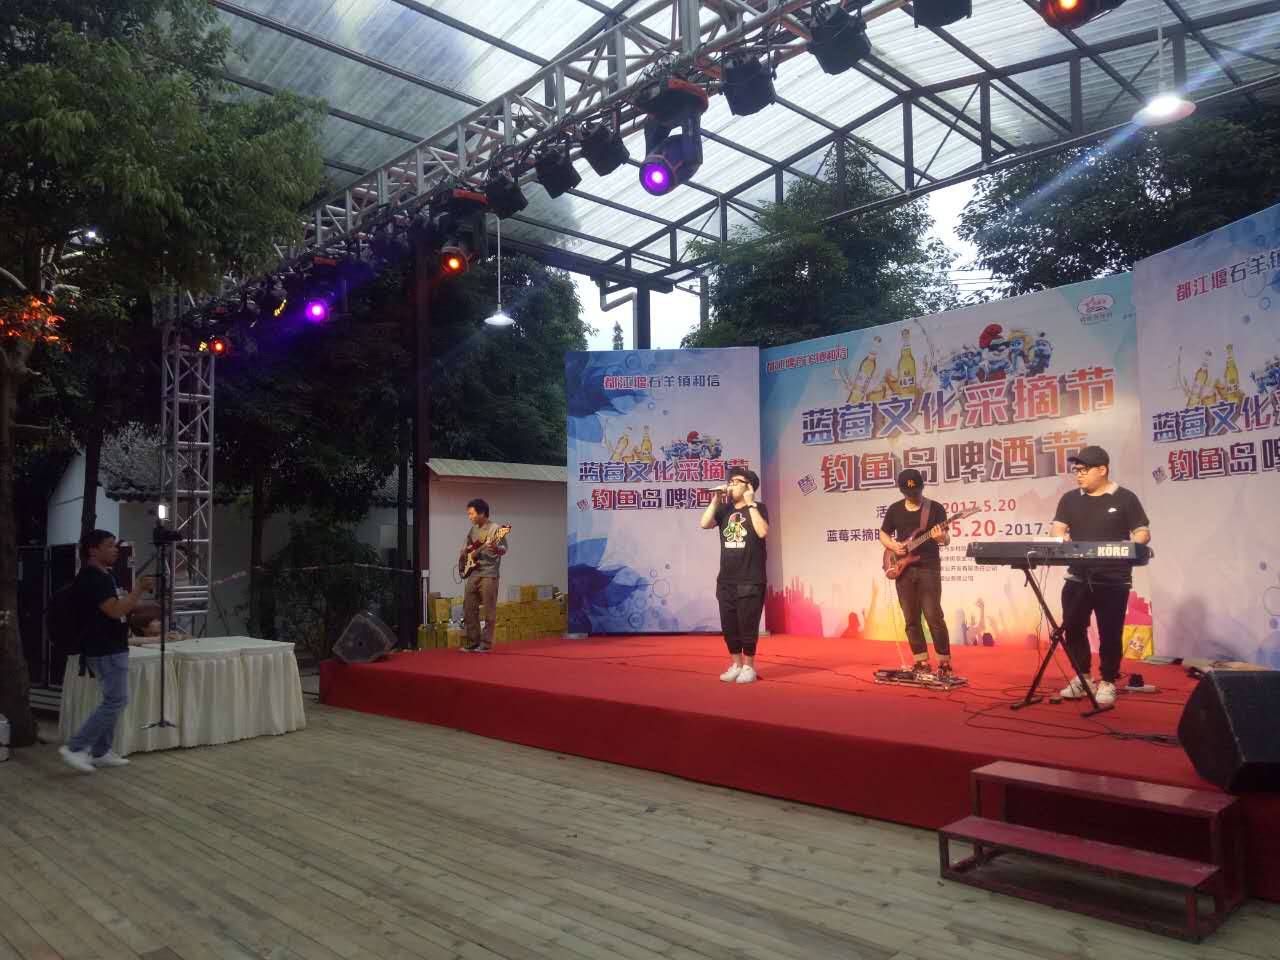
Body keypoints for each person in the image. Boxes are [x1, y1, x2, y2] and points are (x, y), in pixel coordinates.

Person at [1051, 445, 1151, 707]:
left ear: (1102, 470)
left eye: (1084, 470)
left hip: (1113, 578)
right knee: (1073, 627)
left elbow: (1142, 533)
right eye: (1076, 470)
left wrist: (1131, 547)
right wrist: (1063, 539)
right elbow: (1057, 529)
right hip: (1077, 577)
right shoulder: (1070, 499)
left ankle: (1107, 680)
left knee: (1110, 631)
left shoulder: (1125, 498)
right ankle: (1083, 678)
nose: (1079, 475)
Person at [59, 529, 154, 773]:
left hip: (112, 645)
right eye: (110, 545)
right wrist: (138, 589)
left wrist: (141, 602)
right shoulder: (93, 578)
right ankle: (76, 747)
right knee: (116, 700)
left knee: (113, 699)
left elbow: (119, 606)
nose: (116, 549)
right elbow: (114, 611)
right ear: (93, 550)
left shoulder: (106, 575)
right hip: (104, 647)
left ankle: (101, 752)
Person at [879, 468, 952, 678]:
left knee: (933, 615)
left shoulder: (935, 508)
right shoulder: (894, 509)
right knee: (911, 618)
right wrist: (893, 546)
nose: (913, 496)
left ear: (922, 487)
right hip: (903, 569)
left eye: (917, 491)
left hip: (928, 567)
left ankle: (944, 661)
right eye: (909, 493)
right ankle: (921, 661)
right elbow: (883, 533)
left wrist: (940, 538)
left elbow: (946, 539)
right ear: (902, 491)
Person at [700, 466, 769, 684]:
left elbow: (762, 531)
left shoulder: (758, 508)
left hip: (751, 579)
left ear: (749, 487)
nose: (731, 485)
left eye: (737, 482)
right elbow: (704, 524)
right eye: (730, 481)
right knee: (729, 626)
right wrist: (715, 500)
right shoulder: (724, 510)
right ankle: (736, 664)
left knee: (748, 625)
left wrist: (750, 503)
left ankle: (749, 667)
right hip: (726, 579)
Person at [459, 498, 510, 653]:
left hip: (489, 573)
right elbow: (468, 546)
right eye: (468, 514)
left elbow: (503, 549)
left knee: (489, 609)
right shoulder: (473, 529)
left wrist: (494, 547)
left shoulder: (496, 529)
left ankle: (486, 643)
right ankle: (473, 641)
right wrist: (464, 552)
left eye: (472, 513)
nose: (470, 516)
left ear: (482, 513)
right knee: (469, 607)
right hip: (474, 572)